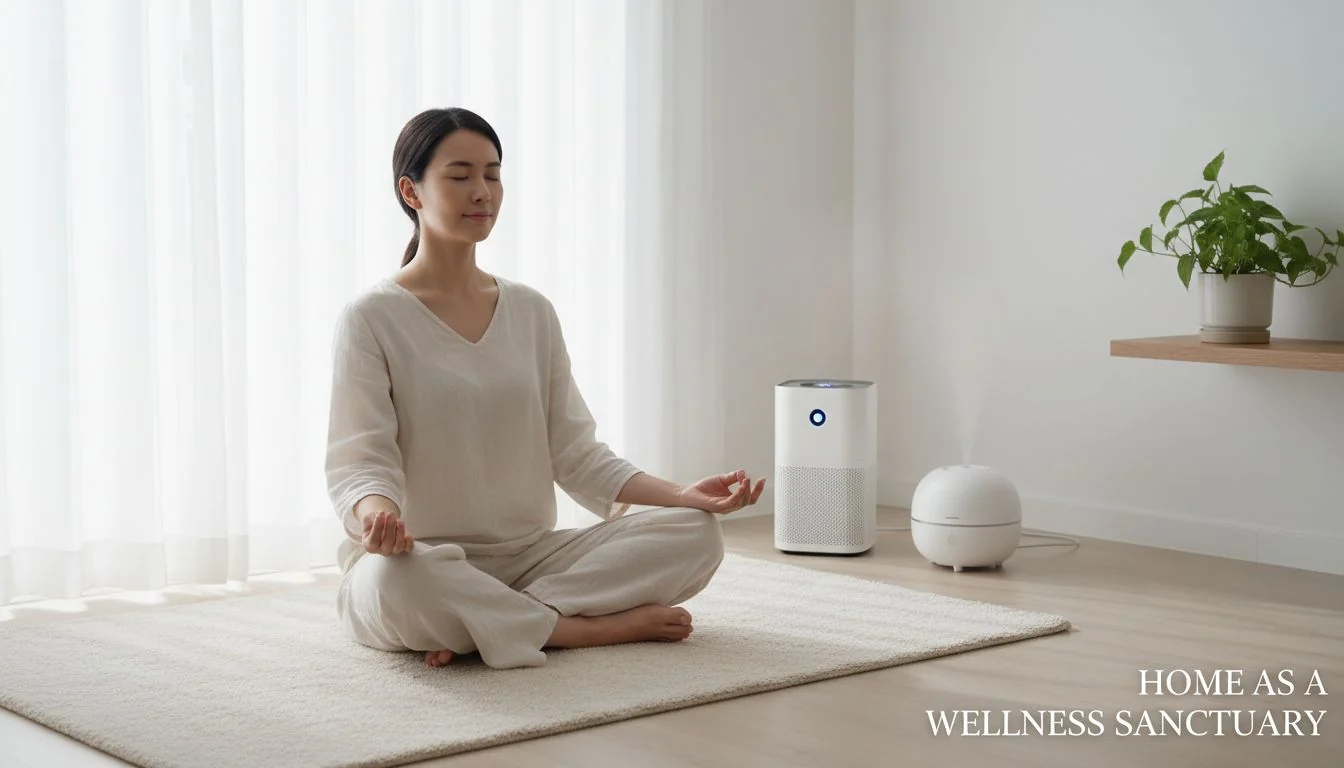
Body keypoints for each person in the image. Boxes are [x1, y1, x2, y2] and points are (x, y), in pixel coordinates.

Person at [324, 107, 766, 670]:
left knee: (696, 536)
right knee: (391, 584)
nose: (482, 191)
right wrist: (376, 520)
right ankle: (575, 630)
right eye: (460, 176)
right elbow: (358, 460)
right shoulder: (370, 316)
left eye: (493, 173)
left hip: (534, 558)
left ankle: (493, 622)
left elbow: (577, 455)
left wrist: (684, 495)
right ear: (410, 191)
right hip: (424, 559)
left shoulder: (531, 311)